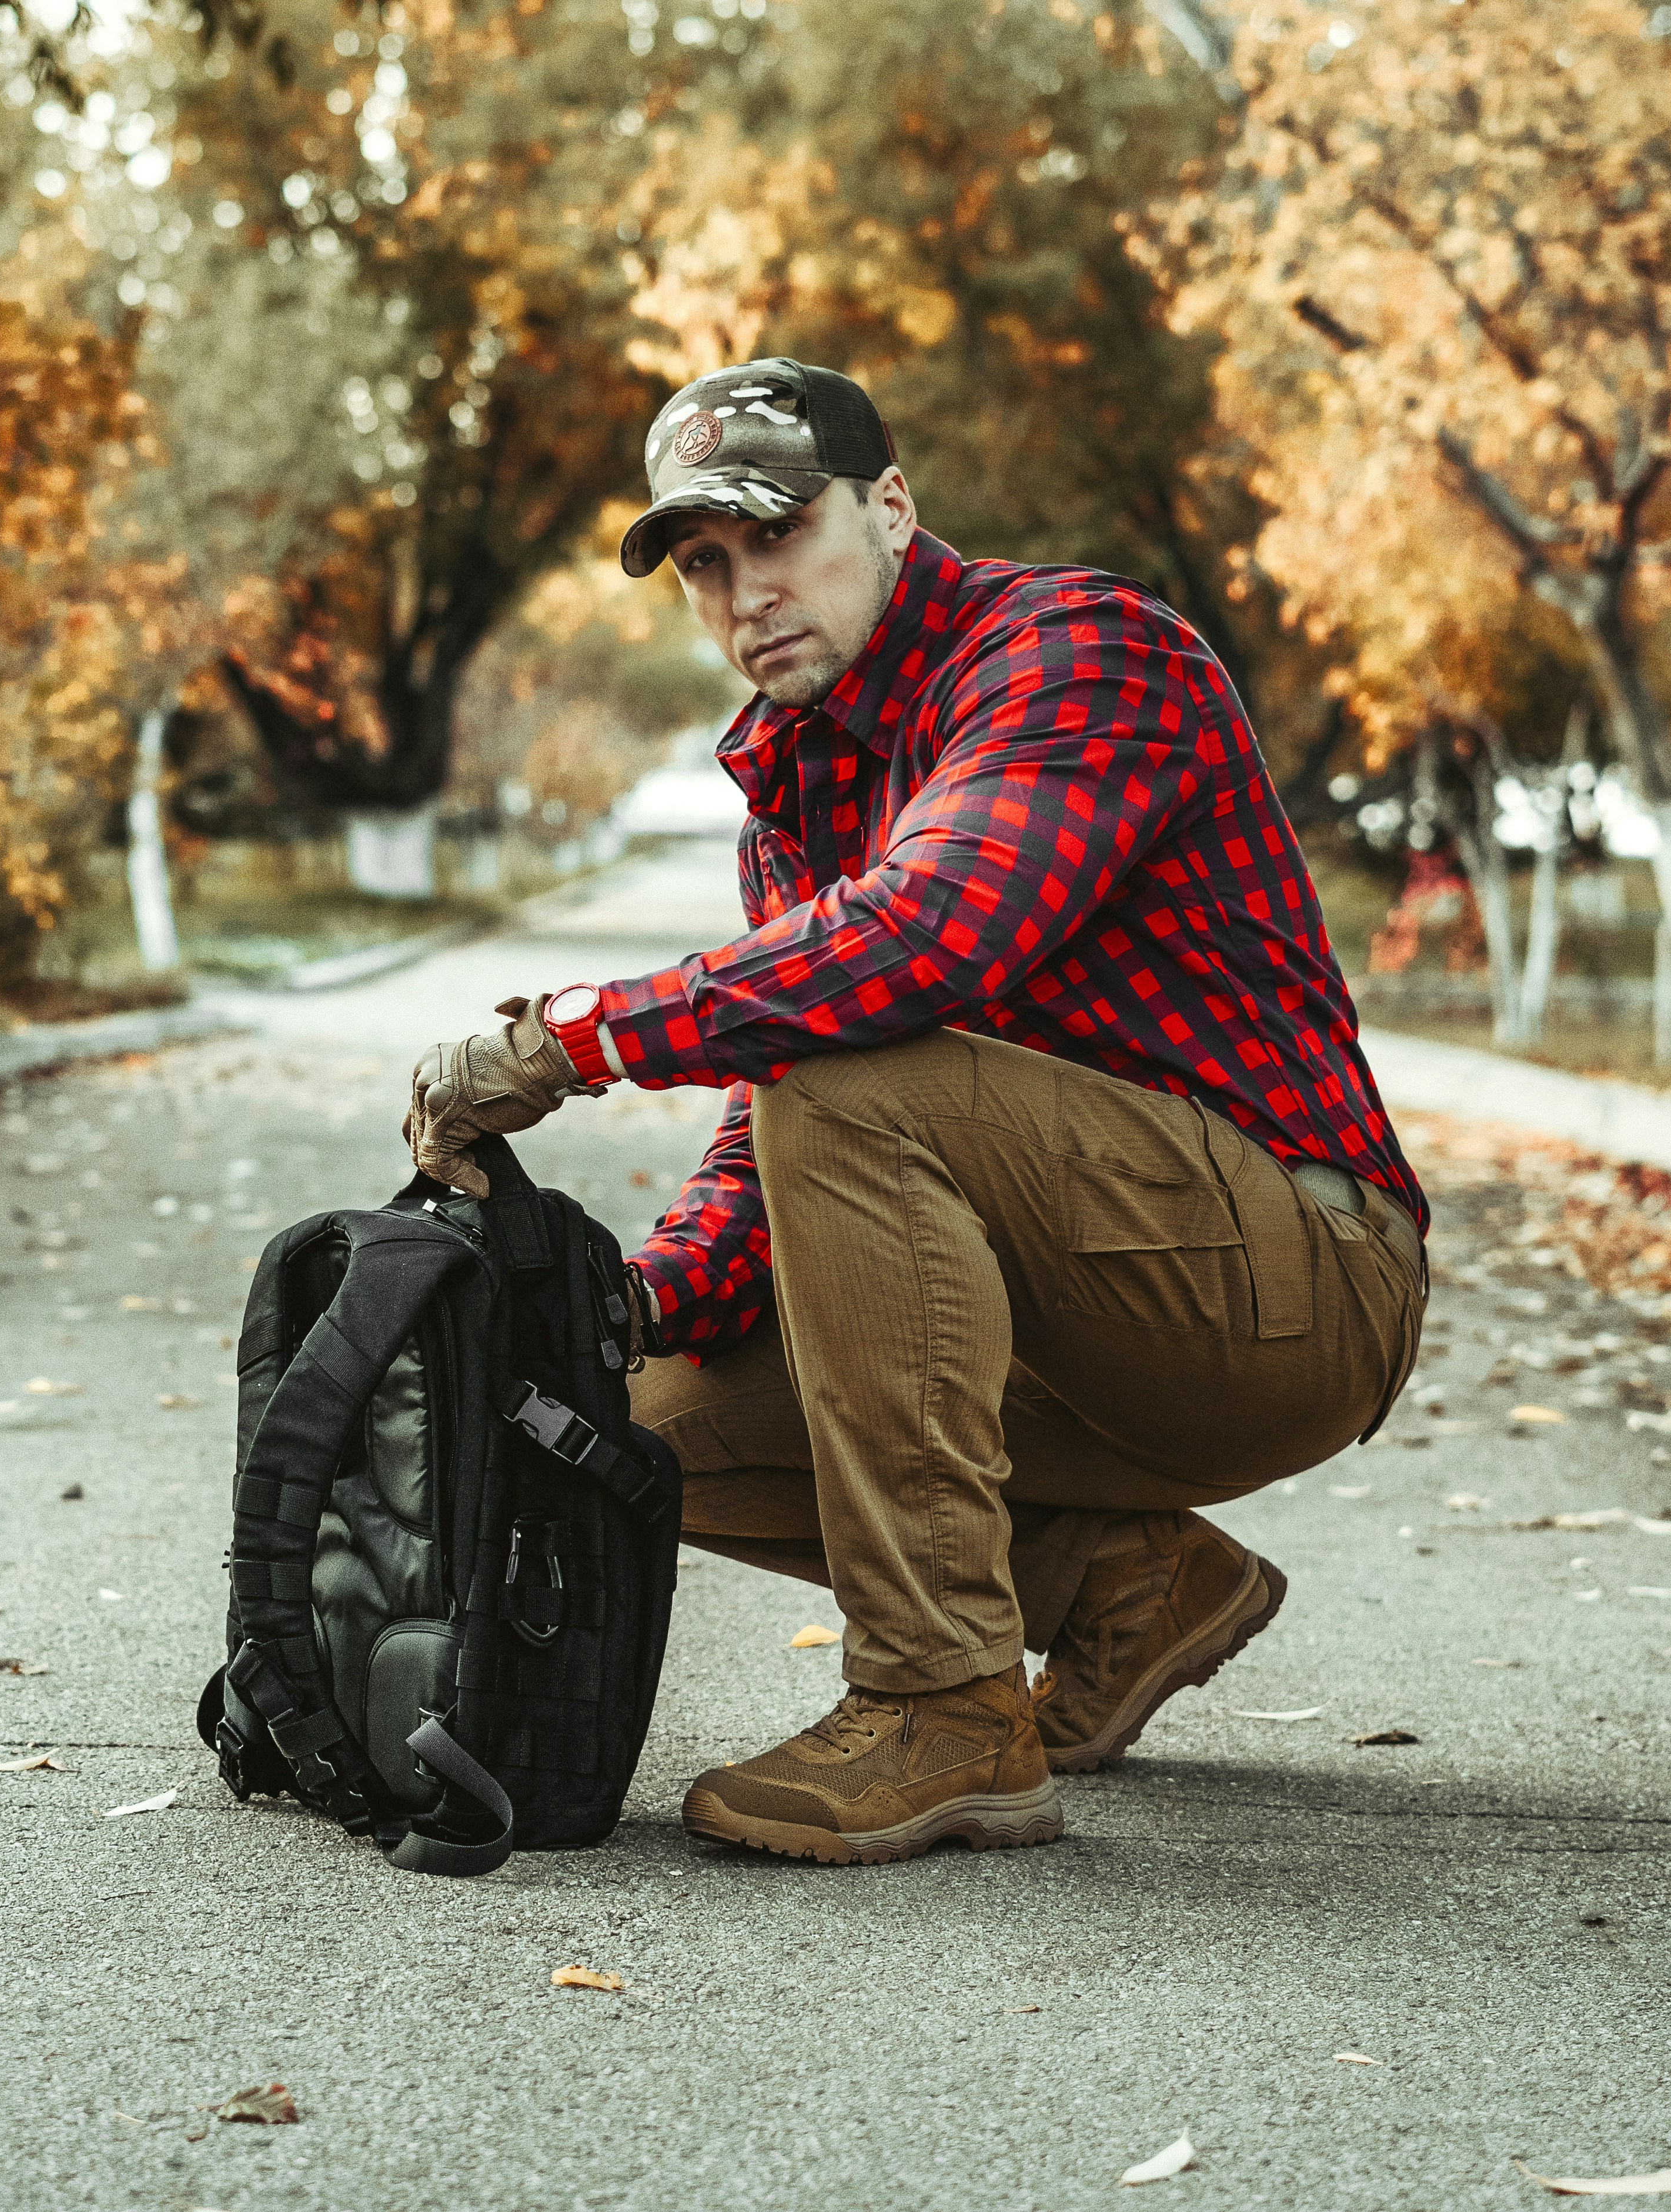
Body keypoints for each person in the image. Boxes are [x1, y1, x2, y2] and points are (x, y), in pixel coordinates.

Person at [402, 359, 1427, 1865]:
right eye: (705, 563)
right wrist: (631, 1301)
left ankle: (944, 1705)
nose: (745, 591)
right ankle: (1122, 1582)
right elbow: (776, 1135)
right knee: (615, 1424)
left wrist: (572, 1037)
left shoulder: (1078, 649)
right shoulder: (799, 782)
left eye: (777, 534)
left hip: (1291, 1285)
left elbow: (927, 938)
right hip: (1070, 1312)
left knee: (848, 1062)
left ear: (888, 508)